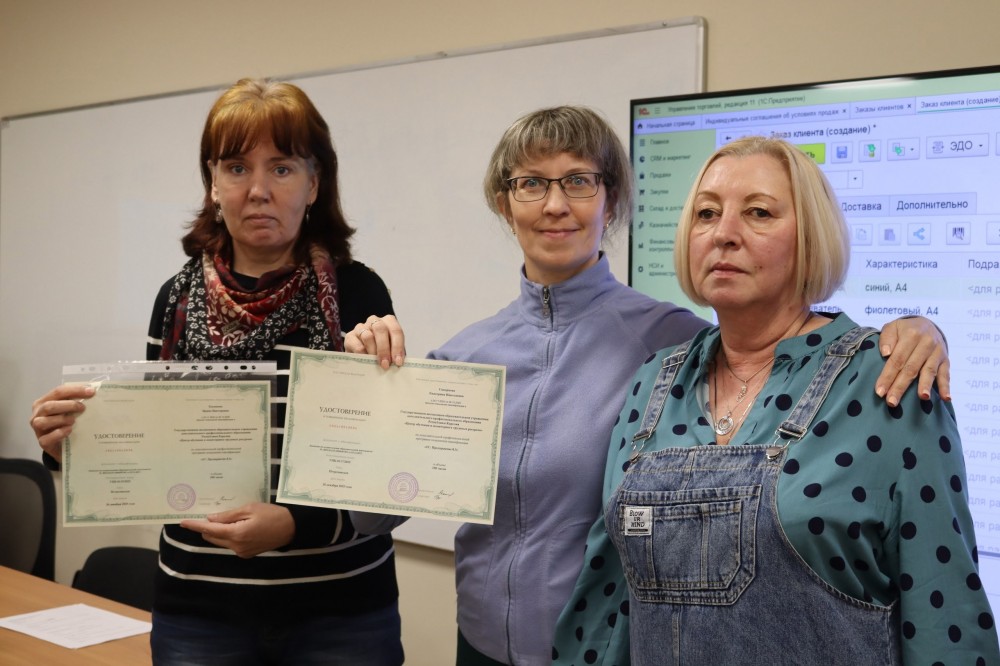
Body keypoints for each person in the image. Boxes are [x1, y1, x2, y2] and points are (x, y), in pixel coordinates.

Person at [345, 107, 951, 666]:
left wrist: (920, 330)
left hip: (609, 647)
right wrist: (371, 398)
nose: (554, 204)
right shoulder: (465, 356)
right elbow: (374, 515)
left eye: (578, 181)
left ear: (612, 201)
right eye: (530, 183)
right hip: (479, 646)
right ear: (506, 204)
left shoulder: (676, 348)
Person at [551, 136, 998, 665]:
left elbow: (945, 615)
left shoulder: (890, 380)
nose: (724, 233)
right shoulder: (653, 383)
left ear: (810, 236)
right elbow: (607, 603)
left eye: (758, 212)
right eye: (707, 213)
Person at [28, 79, 404, 666]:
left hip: (341, 610)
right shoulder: (176, 299)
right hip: (200, 611)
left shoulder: (359, 294)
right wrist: (70, 446)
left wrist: (296, 526)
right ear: (213, 183)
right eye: (236, 168)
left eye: (282, 168)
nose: (258, 190)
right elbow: (154, 449)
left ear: (314, 183)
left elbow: (384, 468)